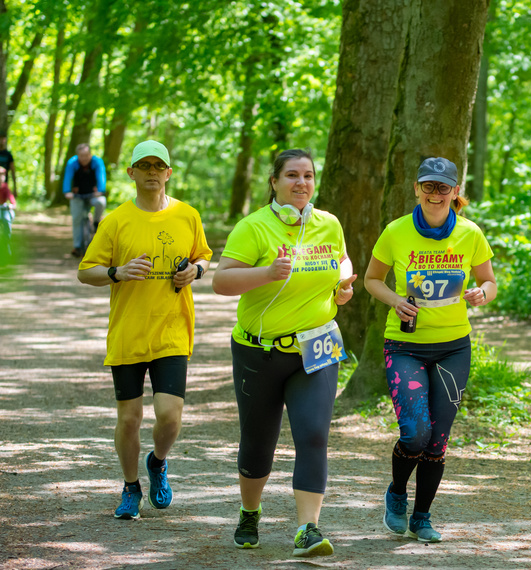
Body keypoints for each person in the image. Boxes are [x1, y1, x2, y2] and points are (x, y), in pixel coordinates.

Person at [212, 149, 356, 557]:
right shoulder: (253, 227)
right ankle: (249, 512)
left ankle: (308, 529)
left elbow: (342, 260)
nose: (301, 183)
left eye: (308, 176)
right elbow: (221, 282)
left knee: (313, 434)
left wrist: (343, 284)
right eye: (291, 175)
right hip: (260, 352)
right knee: (259, 441)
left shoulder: (328, 223)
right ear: (274, 182)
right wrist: (267, 273)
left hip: (317, 347)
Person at [364, 157, 497, 543]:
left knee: (438, 439)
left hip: (454, 347)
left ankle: (422, 517)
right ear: (416, 188)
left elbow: (489, 281)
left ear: (456, 192)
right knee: (416, 432)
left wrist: (481, 294)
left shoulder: (471, 234)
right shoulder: (396, 231)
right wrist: (394, 300)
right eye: (428, 186)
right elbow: (373, 279)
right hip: (405, 346)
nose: (434, 194)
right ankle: (397, 491)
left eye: (443, 188)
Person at [77, 140, 212, 521]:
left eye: (159, 165)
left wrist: (195, 271)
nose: (152, 171)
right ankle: (130, 487)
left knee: (169, 416)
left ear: (168, 173)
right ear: (131, 172)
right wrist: (115, 273)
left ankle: (158, 462)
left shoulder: (188, 215)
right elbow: (85, 270)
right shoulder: (116, 220)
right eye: (144, 165)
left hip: (172, 330)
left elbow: (204, 256)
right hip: (129, 333)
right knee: (130, 419)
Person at [64, 143, 107, 257]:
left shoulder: (97, 162)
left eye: (86, 155)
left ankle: (96, 222)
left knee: (101, 202)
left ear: (90, 154)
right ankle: (77, 246)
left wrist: (101, 190)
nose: (84, 158)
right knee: (77, 218)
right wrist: (67, 191)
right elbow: (67, 178)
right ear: (77, 155)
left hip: (93, 195)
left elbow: (101, 177)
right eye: (81, 156)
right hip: (77, 196)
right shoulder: (72, 163)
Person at [0, 167, 16, 265]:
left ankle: (7, 244)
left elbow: (11, 198)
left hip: (4, 209)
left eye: (2, 175)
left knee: (6, 221)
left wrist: (12, 205)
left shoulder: (5, 187)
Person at [0, 132, 16, 197]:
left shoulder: (8, 155)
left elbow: (13, 170)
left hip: (4, 183)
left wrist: (15, 187)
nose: (1, 141)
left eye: (3, 139)